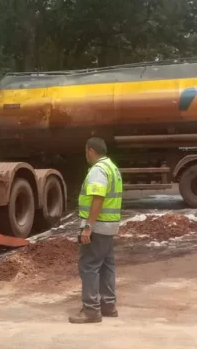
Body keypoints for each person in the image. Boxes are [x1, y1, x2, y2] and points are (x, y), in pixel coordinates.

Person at [69, 136, 123, 324]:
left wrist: (88, 227)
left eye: (86, 152)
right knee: (107, 266)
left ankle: (91, 310)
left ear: (90, 150)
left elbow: (97, 199)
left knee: (89, 266)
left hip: (98, 226)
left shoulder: (98, 170)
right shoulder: (112, 168)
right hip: (109, 226)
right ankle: (109, 305)